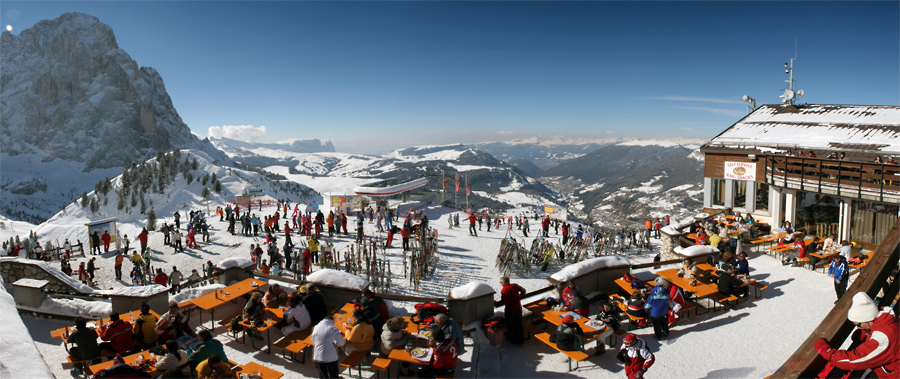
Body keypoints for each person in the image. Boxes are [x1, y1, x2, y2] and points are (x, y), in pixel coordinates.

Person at [814, 292, 899, 378]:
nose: (859, 328)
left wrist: (828, 352)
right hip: (889, 370)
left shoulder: (883, 339)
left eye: (858, 325)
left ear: (868, 319)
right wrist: (865, 335)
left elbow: (853, 360)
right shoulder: (887, 322)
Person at [494, 275, 526, 345]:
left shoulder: (504, 290)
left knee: (511, 325)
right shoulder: (515, 286)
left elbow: (504, 301)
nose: (500, 284)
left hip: (510, 310)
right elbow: (523, 291)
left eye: (500, 282)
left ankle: (513, 340)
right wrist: (519, 296)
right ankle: (520, 340)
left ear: (503, 282)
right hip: (518, 309)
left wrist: (496, 303)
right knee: (519, 324)